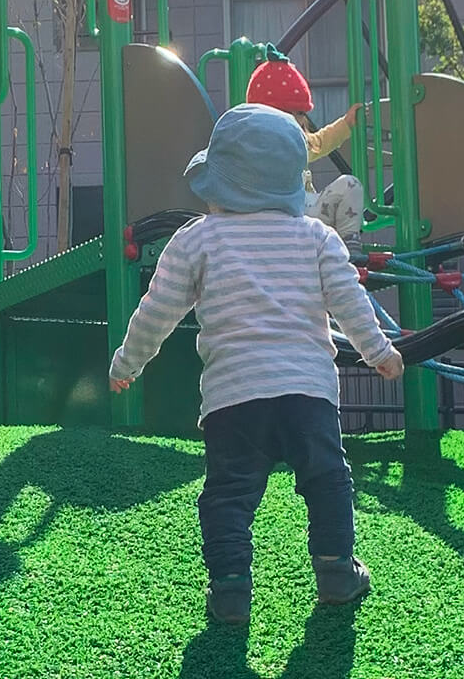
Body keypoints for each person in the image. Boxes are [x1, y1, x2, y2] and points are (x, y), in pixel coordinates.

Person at [108, 103, 405, 625]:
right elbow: (349, 302)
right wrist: (378, 351)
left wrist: (126, 363)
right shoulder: (316, 238)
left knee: (228, 493)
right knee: (327, 478)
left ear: (218, 183)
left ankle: (230, 590)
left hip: (233, 397)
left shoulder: (196, 239)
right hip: (308, 392)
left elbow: (156, 311)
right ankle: (336, 569)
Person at [244, 55, 365, 232]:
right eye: (284, 113)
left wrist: (345, 123)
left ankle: (348, 246)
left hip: (306, 214)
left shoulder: (300, 140)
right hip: (281, 213)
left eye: (299, 113)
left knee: (350, 184)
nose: (294, 120)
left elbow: (321, 141)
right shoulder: (253, 146)